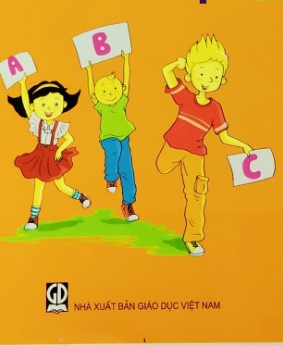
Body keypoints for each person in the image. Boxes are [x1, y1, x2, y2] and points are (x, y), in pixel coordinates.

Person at [157, 35, 252, 256]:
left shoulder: (215, 109)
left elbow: (224, 137)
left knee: (197, 195)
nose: (207, 80)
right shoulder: (184, 97)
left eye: (214, 76)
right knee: (161, 167)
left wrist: (242, 146)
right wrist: (178, 63)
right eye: (202, 73)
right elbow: (166, 72)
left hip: (195, 154)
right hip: (172, 146)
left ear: (222, 80)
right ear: (190, 75)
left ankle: (193, 238)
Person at [7, 75, 90, 230]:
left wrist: (60, 150)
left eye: (55, 104)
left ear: (63, 104)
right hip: (39, 155)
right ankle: (33, 218)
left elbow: (69, 139)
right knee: (38, 187)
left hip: (53, 156)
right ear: (34, 106)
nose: (49, 109)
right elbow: (26, 105)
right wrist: (23, 84)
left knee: (61, 186)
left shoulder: (59, 126)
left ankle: (81, 196)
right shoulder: (37, 122)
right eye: (43, 104)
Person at [87, 50, 139, 221]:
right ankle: (111, 177)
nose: (110, 94)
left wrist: (126, 60)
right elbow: (91, 90)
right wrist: (89, 71)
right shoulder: (101, 106)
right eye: (104, 91)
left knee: (127, 169)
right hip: (108, 138)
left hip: (124, 136)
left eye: (114, 89)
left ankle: (128, 204)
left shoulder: (122, 101)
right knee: (114, 150)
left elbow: (127, 80)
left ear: (121, 90)